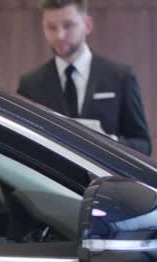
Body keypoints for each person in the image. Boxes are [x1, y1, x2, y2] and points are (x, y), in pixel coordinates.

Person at [17, 0, 151, 155]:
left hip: (107, 176)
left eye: (68, 25)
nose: (59, 35)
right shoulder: (30, 84)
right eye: (51, 27)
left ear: (87, 25)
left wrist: (111, 142)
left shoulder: (121, 77)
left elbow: (143, 145)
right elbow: (23, 144)